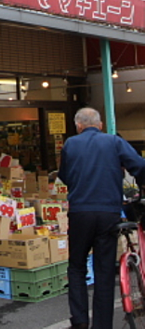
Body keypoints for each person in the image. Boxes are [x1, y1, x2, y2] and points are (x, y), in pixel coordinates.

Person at [58, 107, 145, 329]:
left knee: (77, 267)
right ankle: (102, 325)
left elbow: (64, 176)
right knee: (104, 270)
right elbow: (140, 166)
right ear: (100, 125)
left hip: (80, 212)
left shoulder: (70, 144)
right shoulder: (114, 142)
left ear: (78, 126)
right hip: (109, 213)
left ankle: (79, 321)